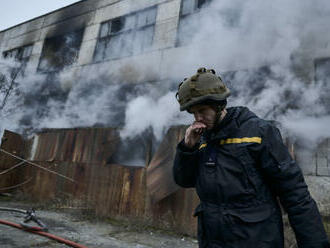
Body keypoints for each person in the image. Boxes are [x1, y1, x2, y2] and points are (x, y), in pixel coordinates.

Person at [173, 67, 330, 248]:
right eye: (193, 113)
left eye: (202, 110)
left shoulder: (258, 133)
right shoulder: (202, 138)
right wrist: (187, 148)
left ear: (219, 105)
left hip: (255, 239)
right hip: (212, 241)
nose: (198, 118)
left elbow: (294, 193)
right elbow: (183, 180)